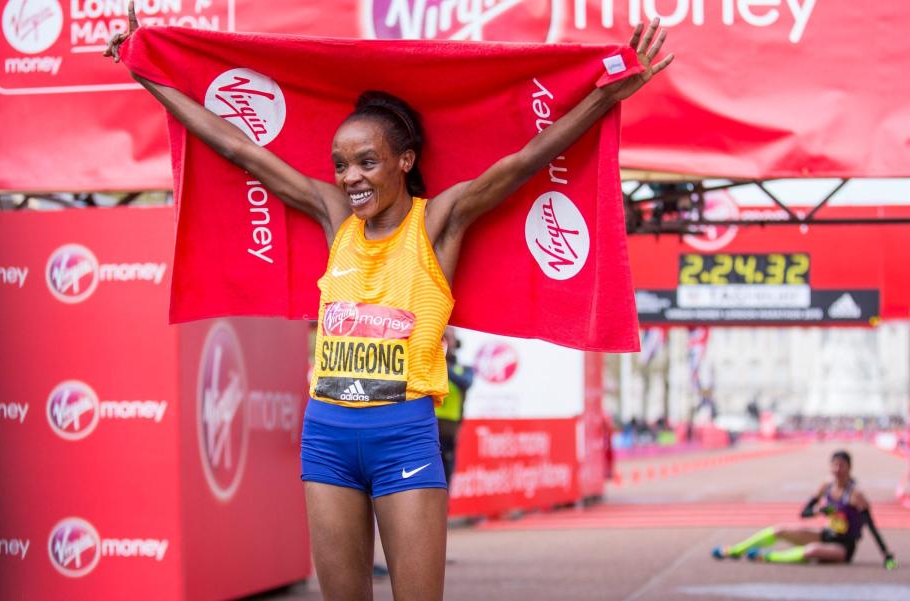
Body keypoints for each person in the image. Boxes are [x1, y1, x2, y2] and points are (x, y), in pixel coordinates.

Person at [106, 4, 672, 599]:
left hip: (402, 432)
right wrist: (144, 68)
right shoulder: (333, 216)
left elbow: (526, 160)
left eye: (367, 161)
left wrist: (610, 95)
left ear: (405, 162)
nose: (351, 177)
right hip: (326, 432)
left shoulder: (439, 222)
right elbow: (239, 148)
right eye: (342, 165)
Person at [712, 450, 896, 569]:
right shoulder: (826, 487)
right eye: (835, 465)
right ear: (830, 467)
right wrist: (819, 511)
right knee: (779, 530)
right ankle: (736, 550)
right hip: (825, 534)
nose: (838, 469)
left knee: (811, 551)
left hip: (843, 547)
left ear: (850, 467)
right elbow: (804, 513)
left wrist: (886, 554)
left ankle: (768, 557)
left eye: (842, 465)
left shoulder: (857, 496)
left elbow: (871, 527)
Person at [435, 328, 474, 485]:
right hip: (427, 431)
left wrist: (442, 363)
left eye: (448, 338)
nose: (445, 341)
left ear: (456, 343)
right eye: (442, 337)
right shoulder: (430, 367)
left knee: (445, 478)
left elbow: (465, 383)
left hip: (449, 434)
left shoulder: (464, 369)